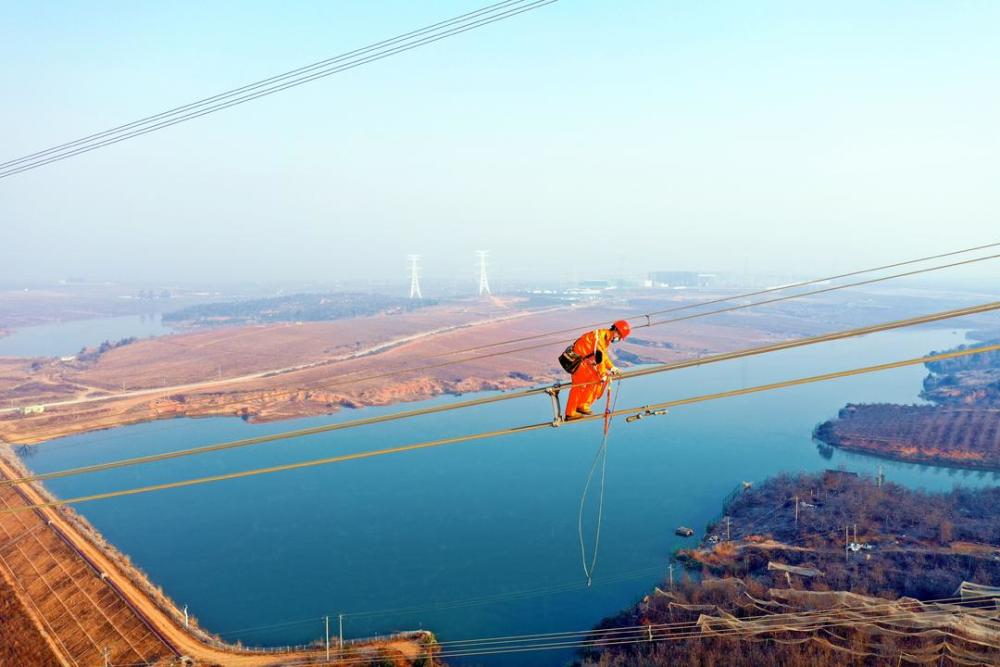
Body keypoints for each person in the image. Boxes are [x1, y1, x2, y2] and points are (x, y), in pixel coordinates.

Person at [564, 320, 631, 421]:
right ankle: (570, 413)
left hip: (583, 362)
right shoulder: (600, 337)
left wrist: (612, 367)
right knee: (579, 386)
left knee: (596, 379)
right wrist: (603, 373)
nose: (619, 339)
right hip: (577, 362)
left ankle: (583, 405)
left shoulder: (605, 338)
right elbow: (599, 359)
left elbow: (603, 357)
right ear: (616, 331)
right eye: (620, 337)